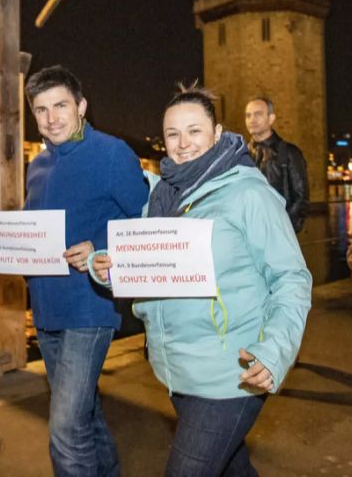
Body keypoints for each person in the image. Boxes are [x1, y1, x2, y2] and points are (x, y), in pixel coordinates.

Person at [91, 86, 312, 475]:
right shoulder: (162, 195)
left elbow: (291, 278)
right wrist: (107, 267)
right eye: (173, 133)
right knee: (231, 468)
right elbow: (149, 268)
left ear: (217, 132)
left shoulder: (248, 194)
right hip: (177, 369)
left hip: (231, 373)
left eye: (194, 131)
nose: (182, 143)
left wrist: (275, 350)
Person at [0, 66, 147, 477]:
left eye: (60, 106)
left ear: (81, 106)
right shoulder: (38, 167)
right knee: (84, 414)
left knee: (66, 428)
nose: (51, 118)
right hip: (48, 309)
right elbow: (34, 229)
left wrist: (99, 246)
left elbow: (144, 219)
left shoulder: (111, 153)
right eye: (41, 110)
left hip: (90, 307)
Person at [245, 97, 310, 232]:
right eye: (248, 115)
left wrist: (283, 228)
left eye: (258, 114)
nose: (252, 120)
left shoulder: (289, 153)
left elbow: (301, 197)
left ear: (271, 118)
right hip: (248, 232)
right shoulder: (242, 154)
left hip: (279, 232)